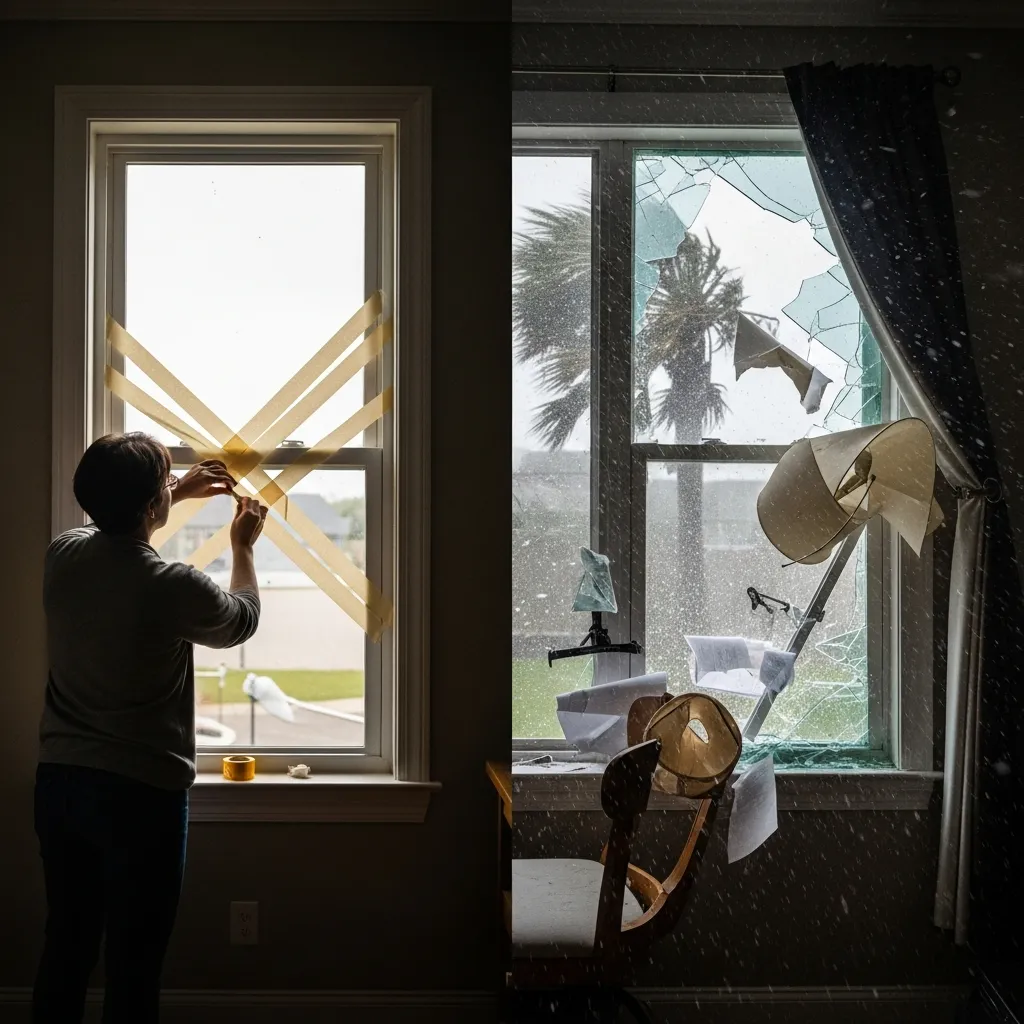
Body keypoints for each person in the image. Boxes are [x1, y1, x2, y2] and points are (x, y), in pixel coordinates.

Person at [33, 433, 267, 1024]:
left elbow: (113, 541)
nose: (171, 487)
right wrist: (242, 546)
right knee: (133, 964)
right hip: (140, 796)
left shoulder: (62, 555)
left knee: (67, 945)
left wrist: (174, 494)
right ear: (149, 505)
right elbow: (241, 620)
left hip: (60, 786)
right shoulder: (172, 585)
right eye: (165, 482)